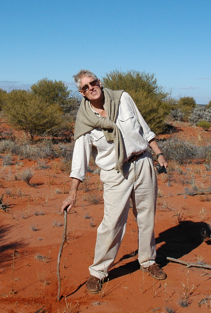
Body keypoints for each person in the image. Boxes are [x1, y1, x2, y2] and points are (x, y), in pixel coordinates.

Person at [61, 69, 169, 295]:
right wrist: (72, 193)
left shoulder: (123, 98)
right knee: (111, 224)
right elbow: (79, 160)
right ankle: (98, 272)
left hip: (143, 163)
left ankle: (148, 260)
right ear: (81, 93)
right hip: (115, 173)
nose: (90, 88)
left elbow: (143, 127)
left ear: (99, 82)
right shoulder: (85, 121)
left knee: (146, 215)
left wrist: (158, 153)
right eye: (84, 87)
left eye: (92, 83)